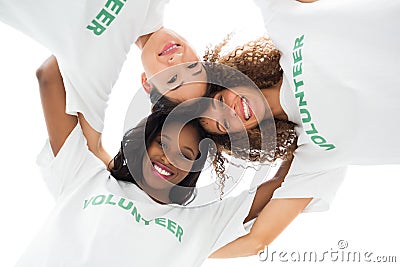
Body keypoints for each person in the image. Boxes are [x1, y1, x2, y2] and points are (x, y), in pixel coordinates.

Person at [16, 55, 293, 266]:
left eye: (186, 155)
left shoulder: (202, 223)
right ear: (143, 143)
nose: (171, 158)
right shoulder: (85, 176)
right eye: (163, 143)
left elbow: (287, 182)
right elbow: (49, 76)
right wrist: (138, 33)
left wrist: (297, 118)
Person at [197, 0, 400, 257]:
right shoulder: (313, 155)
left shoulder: (285, 25)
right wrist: (178, 250)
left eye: (219, 102)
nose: (231, 112)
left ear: (229, 81)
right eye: (224, 124)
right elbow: (256, 240)